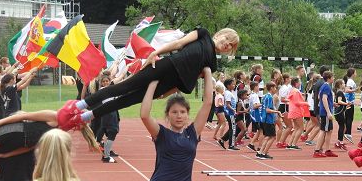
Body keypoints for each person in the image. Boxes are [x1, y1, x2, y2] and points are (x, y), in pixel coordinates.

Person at [57, 27, 238, 129]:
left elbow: (191, 78)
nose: (226, 44)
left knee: (126, 101)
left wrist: (167, 93)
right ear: (220, 34)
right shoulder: (203, 34)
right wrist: (154, 53)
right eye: (227, 39)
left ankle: (85, 117)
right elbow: (178, 43)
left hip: (168, 83)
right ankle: (77, 106)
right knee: (122, 88)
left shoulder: (212, 65)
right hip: (165, 66)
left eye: (230, 45)